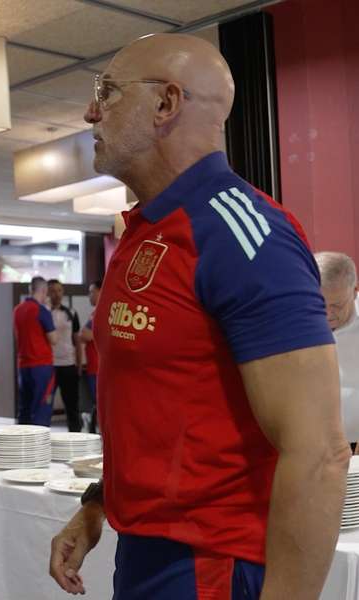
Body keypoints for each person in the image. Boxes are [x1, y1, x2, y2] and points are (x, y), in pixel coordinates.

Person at [49, 33, 347, 600]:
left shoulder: (245, 234)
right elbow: (155, 405)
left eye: (107, 92)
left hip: (214, 562)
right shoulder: (144, 232)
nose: (91, 111)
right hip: (146, 551)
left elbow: (319, 453)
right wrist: (98, 506)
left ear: (166, 104)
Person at [315, 251, 359, 449]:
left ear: (355, 292)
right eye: (320, 303)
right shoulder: (295, 317)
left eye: (337, 305)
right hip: (314, 438)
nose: (327, 313)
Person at [13, 276, 59, 426]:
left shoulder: (17, 310)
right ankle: (39, 446)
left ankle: (22, 444)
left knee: (25, 408)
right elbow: (54, 339)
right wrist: (49, 312)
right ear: (44, 291)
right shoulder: (42, 311)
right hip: (41, 365)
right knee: (41, 409)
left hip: (23, 365)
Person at [47, 279, 82, 432]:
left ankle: (75, 437)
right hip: (49, 366)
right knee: (45, 405)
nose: (57, 294)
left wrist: (79, 364)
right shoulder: (44, 313)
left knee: (72, 405)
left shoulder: (71, 313)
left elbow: (77, 340)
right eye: (53, 291)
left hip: (68, 365)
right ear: (47, 293)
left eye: (59, 290)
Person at [78, 280, 101, 434]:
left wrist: (92, 335)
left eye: (92, 291)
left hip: (99, 367)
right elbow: (82, 335)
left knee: (100, 402)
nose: (89, 296)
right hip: (92, 366)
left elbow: (85, 334)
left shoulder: (102, 311)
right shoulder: (94, 313)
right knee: (95, 402)